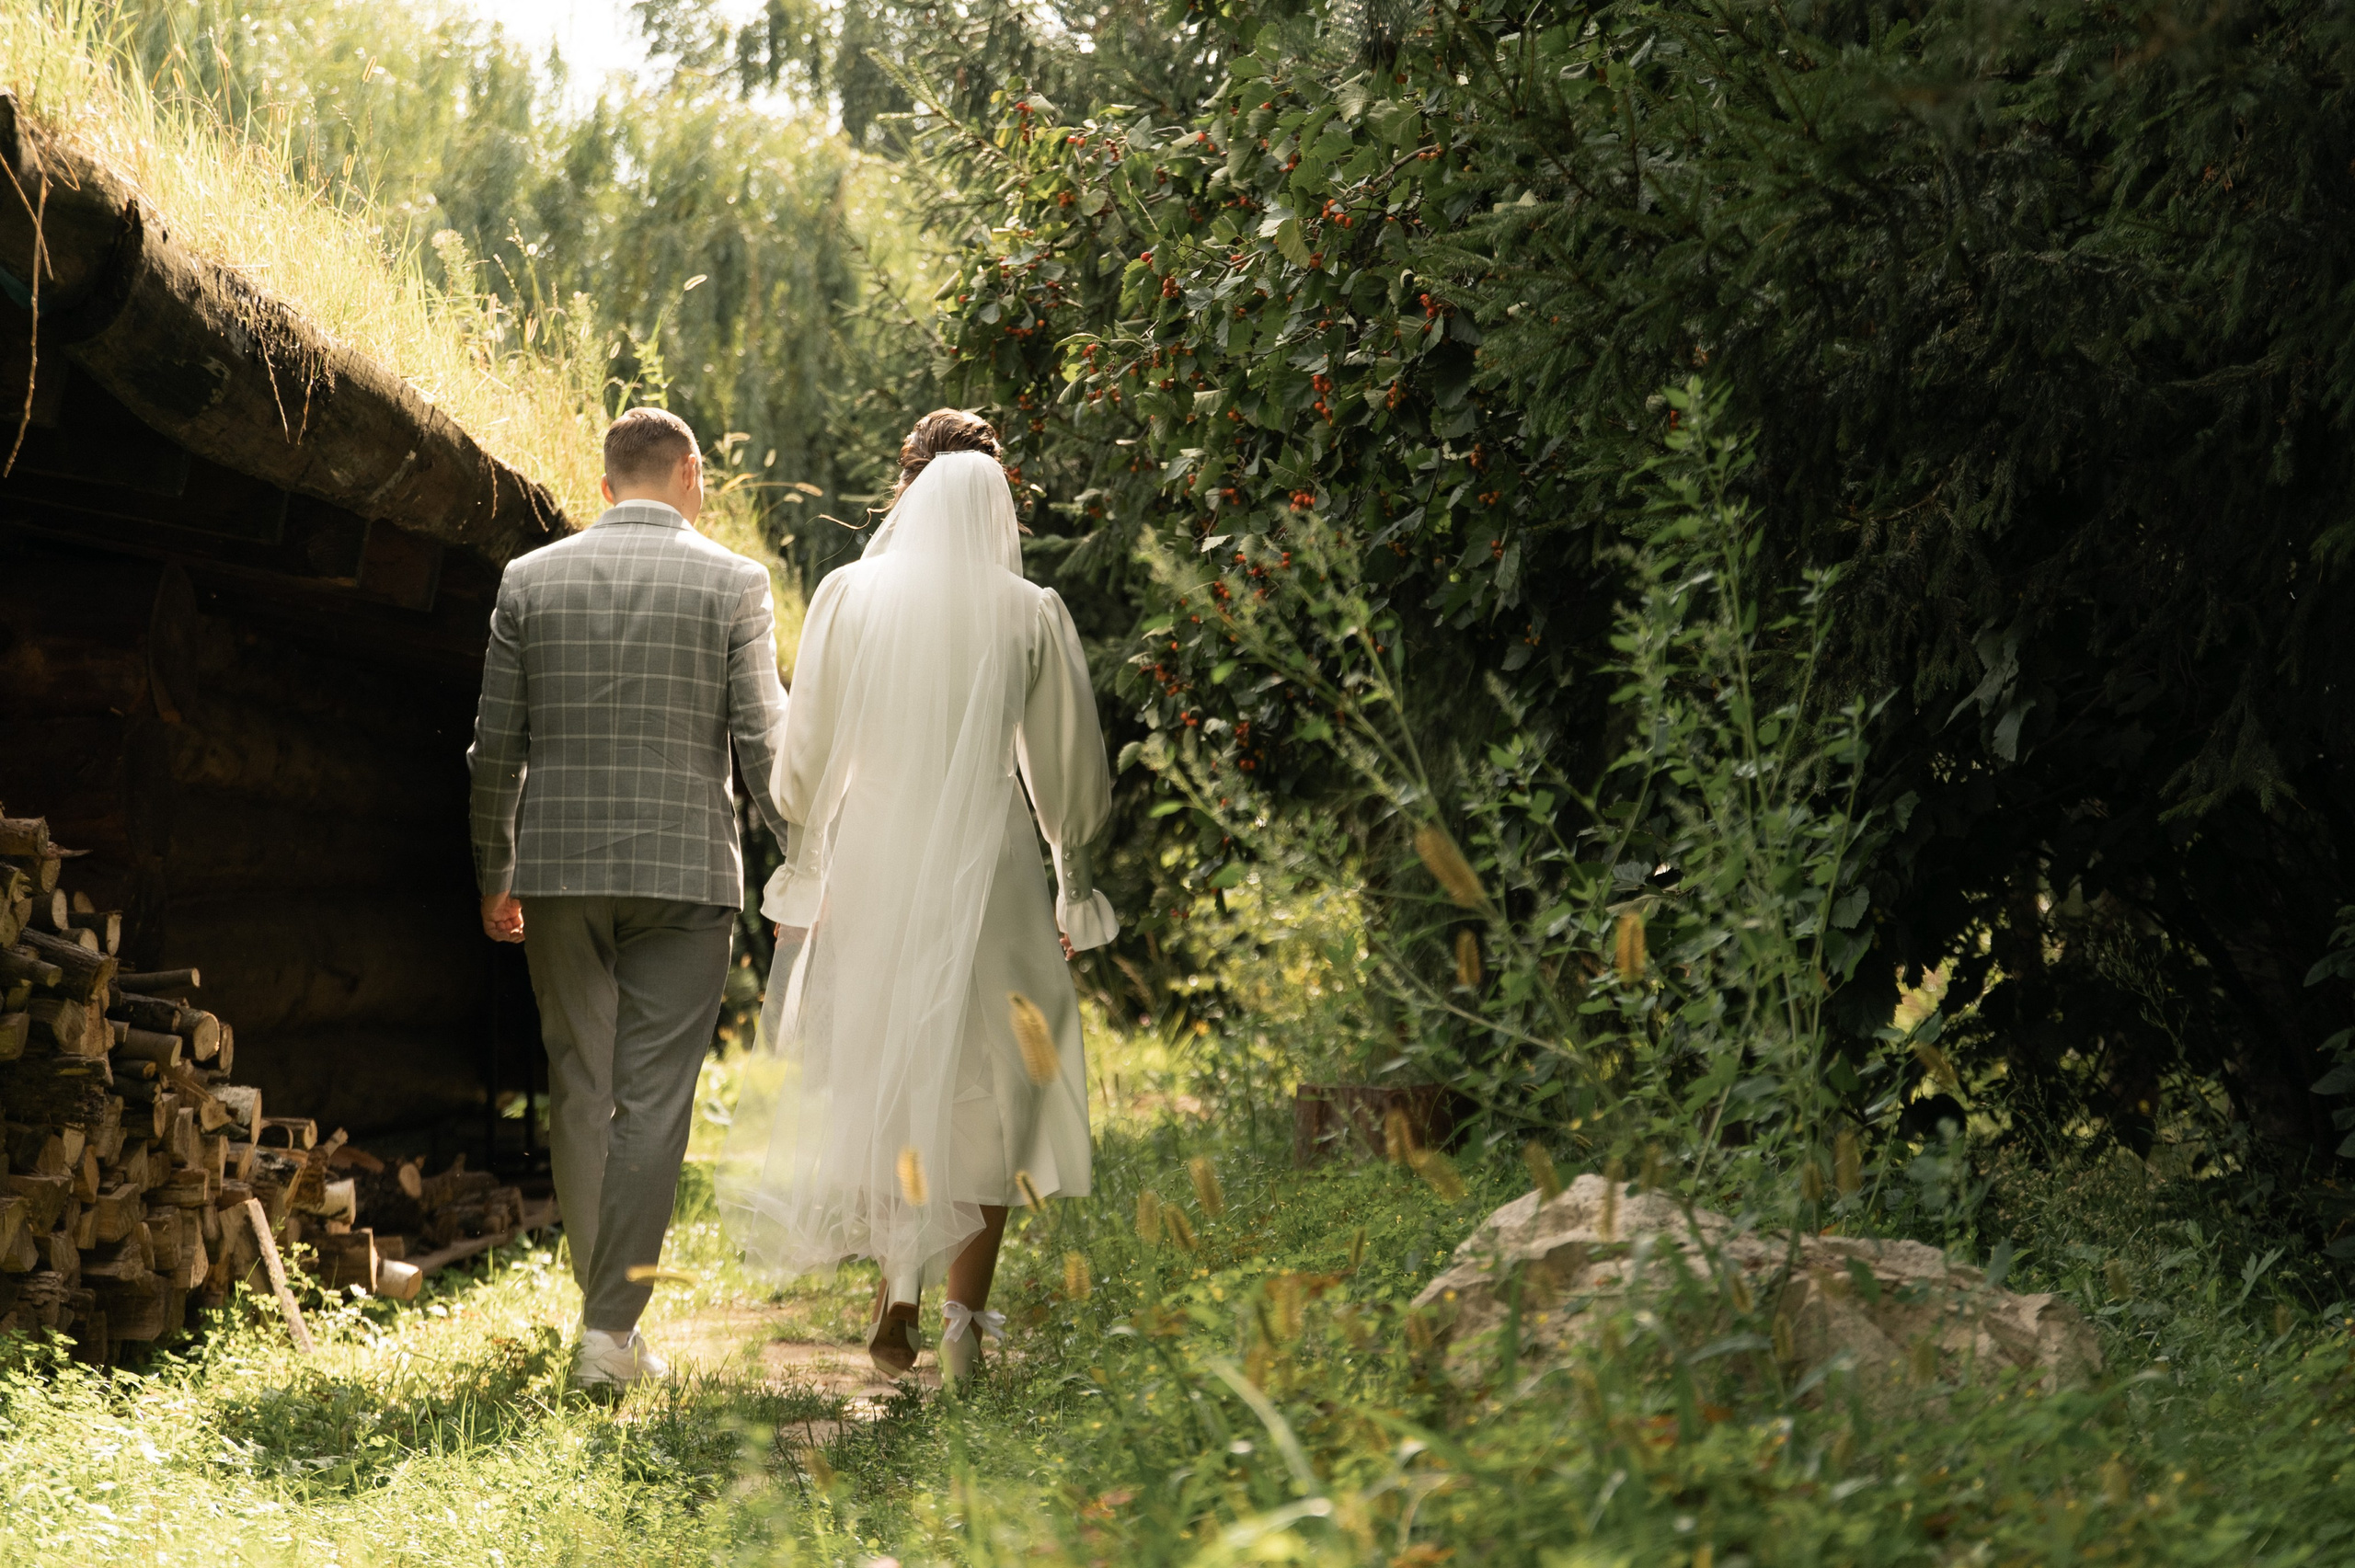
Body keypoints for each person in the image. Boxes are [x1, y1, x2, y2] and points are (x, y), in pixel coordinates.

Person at [718, 409, 1116, 1381]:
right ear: (996, 492)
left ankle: (895, 1290)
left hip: (876, 859)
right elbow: (1070, 778)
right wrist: (1074, 885)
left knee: (889, 1066)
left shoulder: (851, 597)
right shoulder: (1029, 609)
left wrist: (807, 858)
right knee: (1000, 1085)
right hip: (994, 864)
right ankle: (961, 1319)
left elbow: (805, 763)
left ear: (906, 485)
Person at [468, 406, 790, 1391]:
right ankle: (609, 1334)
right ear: (691, 471)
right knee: (652, 1100)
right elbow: (765, 746)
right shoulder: (736, 582)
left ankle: (603, 1325)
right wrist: (801, 867)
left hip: (559, 870)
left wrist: (495, 870)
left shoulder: (529, 579)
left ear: (604, 486)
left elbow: (494, 751)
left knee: (580, 1083)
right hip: (687, 874)